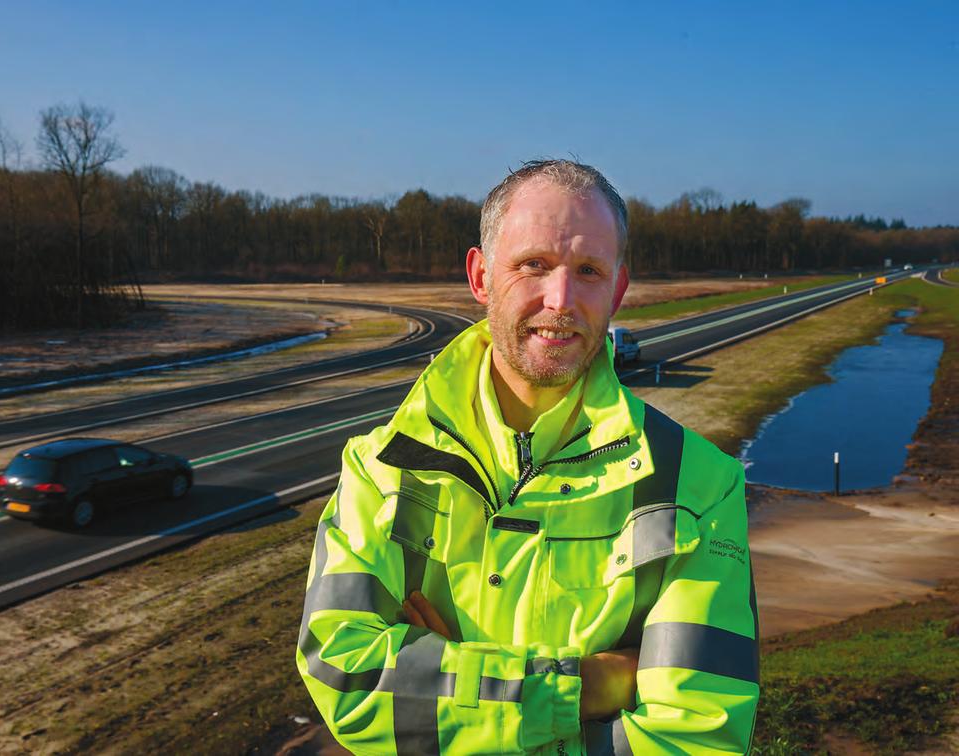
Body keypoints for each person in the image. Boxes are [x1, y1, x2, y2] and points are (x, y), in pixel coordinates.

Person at [297, 160, 759, 754]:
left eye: (588, 271)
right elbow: (348, 679)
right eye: (533, 265)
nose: (560, 299)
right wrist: (585, 689)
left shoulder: (700, 483)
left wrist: (445, 678)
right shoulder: (381, 465)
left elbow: (699, 736)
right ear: (482, 276)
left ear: (617, 290)